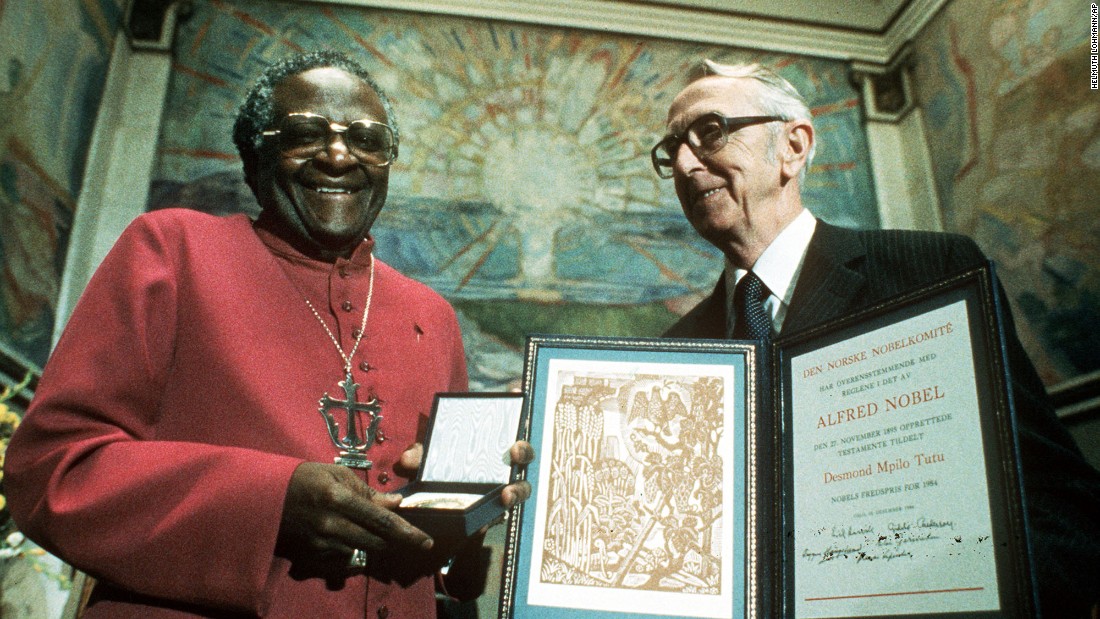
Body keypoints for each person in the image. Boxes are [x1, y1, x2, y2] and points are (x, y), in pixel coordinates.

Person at [4, 50, 533, 618]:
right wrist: (272, 501)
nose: (339, 155)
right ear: (257, 158)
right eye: (306, 134)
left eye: (367, 139)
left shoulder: (432, 314)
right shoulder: (172, 251)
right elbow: (55, 469)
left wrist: (468, 511)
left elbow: (442, 566)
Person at [656, 59, 1100, 616]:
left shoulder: (931, 271)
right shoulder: (675, 352)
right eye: (671, 149)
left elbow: (1061, 502)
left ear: (792, 147)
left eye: (710, 133)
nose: (684, 162)